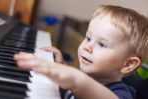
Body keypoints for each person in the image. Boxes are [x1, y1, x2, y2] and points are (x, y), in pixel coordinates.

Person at [14, 5, 148, 99]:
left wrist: (76, 80)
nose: (87, 47)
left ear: (128, 64)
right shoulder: (89, 77)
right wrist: (63, 68)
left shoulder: (121, 93)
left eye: (102, 44)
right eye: (88, 38)